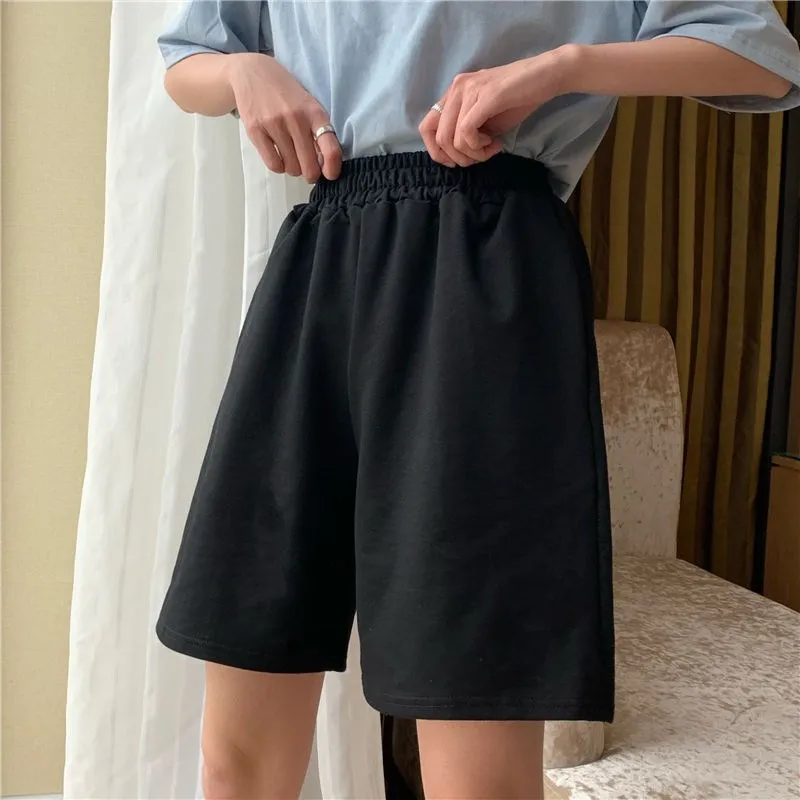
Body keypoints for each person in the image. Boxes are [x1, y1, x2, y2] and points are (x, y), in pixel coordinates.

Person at [155, 2, 800, 798]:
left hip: (488, 260)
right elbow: (188, 60)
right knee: (239, 737)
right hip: (321, 256)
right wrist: (244, 72)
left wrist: (561, 69)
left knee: (475, 755)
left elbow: (759, 56)